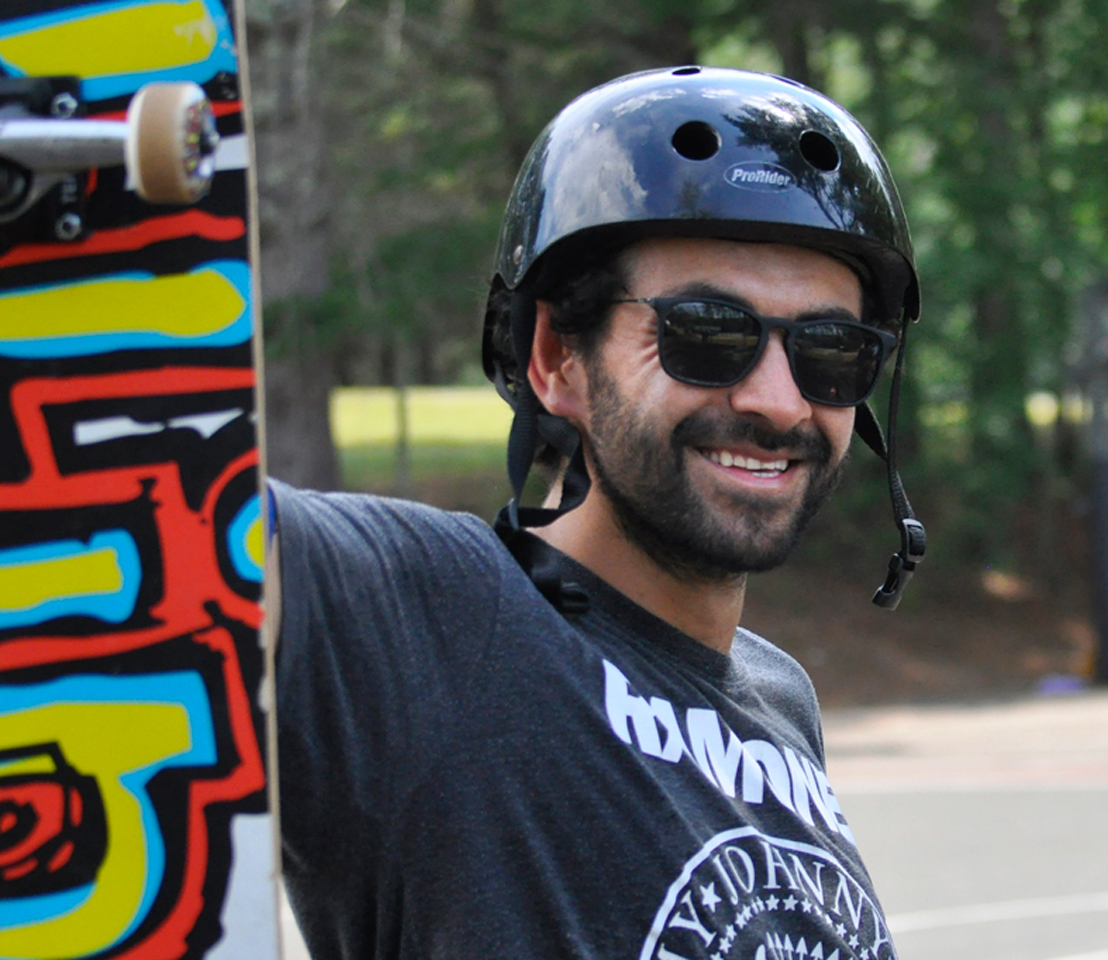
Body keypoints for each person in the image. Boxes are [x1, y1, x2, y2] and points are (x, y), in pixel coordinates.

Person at [271, 66, 923, 960]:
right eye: (708, 334)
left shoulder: (778, 698)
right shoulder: (441, 622)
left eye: (832, 351)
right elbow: (168, 522)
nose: (779, 400)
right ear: (556, 358)